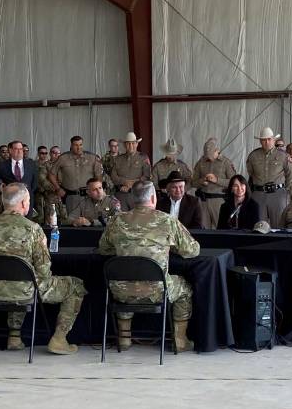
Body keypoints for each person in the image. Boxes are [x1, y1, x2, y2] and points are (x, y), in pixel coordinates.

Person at [0, 184, 86, 354]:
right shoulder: (32, 229)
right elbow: (44, 271)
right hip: (26, 291)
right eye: (28, 201)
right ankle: (59, 338)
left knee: (17, 277)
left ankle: (14, 336)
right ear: (23, 204)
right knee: (75, 286)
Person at [98, 181, 200, 353]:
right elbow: (193, 250)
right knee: (185, 289)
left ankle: (124, 338)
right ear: (153, 198)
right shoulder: (167, 220)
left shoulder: (117, 220)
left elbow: (103, 248)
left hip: (120, 291)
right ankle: (180, 340)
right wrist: (170, 245)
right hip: (157, 291)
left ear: (132, 198)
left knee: (127, 282)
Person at [246, 127, 292, 224]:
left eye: (269, 139)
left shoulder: (283, 156)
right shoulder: (253, 156)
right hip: (259, 194)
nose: (267, 142)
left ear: (274, 140)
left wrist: (287, 191)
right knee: (258, 225)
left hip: (278, 194)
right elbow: (250, 173)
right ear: (260, 141)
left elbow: (290, 174)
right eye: (264, 140)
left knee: (279, 225)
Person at [49, 137, 104, 213]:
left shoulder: (92, 158)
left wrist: (98, 192)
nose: (79, 148)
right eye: (76, 145)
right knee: (72, 221)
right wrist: (58, 188)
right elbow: (51, 175)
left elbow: (99, 177)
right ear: (71, 145)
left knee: (90, 220)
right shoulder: (63, 158)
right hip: (71, 196)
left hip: (88, 196)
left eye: (80, 145)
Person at [190, 137, 236, 228]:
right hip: (203, 201)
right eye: (207, 156)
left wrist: (217, 180)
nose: (209, 158)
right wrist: (201, 181)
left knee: (221, 227)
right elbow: (193, 183)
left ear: (217, 151)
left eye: (211, 155)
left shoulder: (226, 163)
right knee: (203, 228)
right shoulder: (201, 162)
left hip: (219, 201)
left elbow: (234, 182)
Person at [111, 131, 152, 211]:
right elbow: (113, 176)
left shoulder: (143, 158)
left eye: (133, 143)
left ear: (137, 144)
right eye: (128, 143)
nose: (131, 146)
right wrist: (124, 182)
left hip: (138, 195)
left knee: (138, 220)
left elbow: (147, 176)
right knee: (122, 220)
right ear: (124, 145)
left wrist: (132, 184)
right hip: (121, 194)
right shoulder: (119, 159)